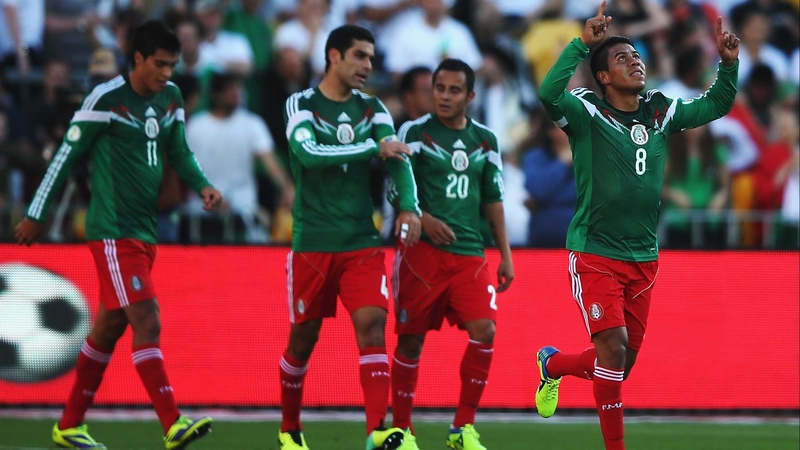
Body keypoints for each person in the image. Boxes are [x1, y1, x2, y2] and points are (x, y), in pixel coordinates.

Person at [533, 2, 739, 449]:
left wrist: (728, 64)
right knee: (613, 348)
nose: (635, 61)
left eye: (637, 56)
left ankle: (553, 365)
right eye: (622, 58)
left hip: (643, 256)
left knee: (619, 363)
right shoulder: (587, 114)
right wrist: (579, 46)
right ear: (603, 77)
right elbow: (549, 93)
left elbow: (717, 104)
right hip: (594, 251)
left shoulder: (660, 111)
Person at [14, 20, 223, 450]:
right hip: (112, 231)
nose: (166, 73)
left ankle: (69, 425)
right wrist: (37, 212)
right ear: (138, 59)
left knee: (108, 328)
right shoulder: (106, 98)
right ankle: (172, 423)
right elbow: (67, 155)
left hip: (145, 231)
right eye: (159, 64)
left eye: (172, 65)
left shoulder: (172, 97)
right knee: (147, 319)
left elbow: (178, 150)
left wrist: (201, 183)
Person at [279, 25, 422, 450]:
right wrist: (369, 149)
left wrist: (409, 207)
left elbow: (396, 158)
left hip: (361, 240)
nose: (368, 66)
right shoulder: (301, 104)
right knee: (302, 340)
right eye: (360, 56)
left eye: (372, 58)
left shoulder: (373, 107)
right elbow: (307, 153)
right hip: (313, 242)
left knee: (374, 325)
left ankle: (378, 429)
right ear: (333, 56)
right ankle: (289, 430)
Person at [389, 58, 514, 450]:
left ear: (470, 96)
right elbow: (396, 187)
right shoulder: (414, 131)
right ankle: (403, 429)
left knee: (485, 331)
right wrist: (423, 219)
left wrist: (505, 255)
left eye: (453, 90)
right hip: (422, 253)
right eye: (438, 89)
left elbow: (493, 199)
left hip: (469, 253)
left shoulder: (486, 140)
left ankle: (462, 428)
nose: (443, 97)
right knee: (411, 341)